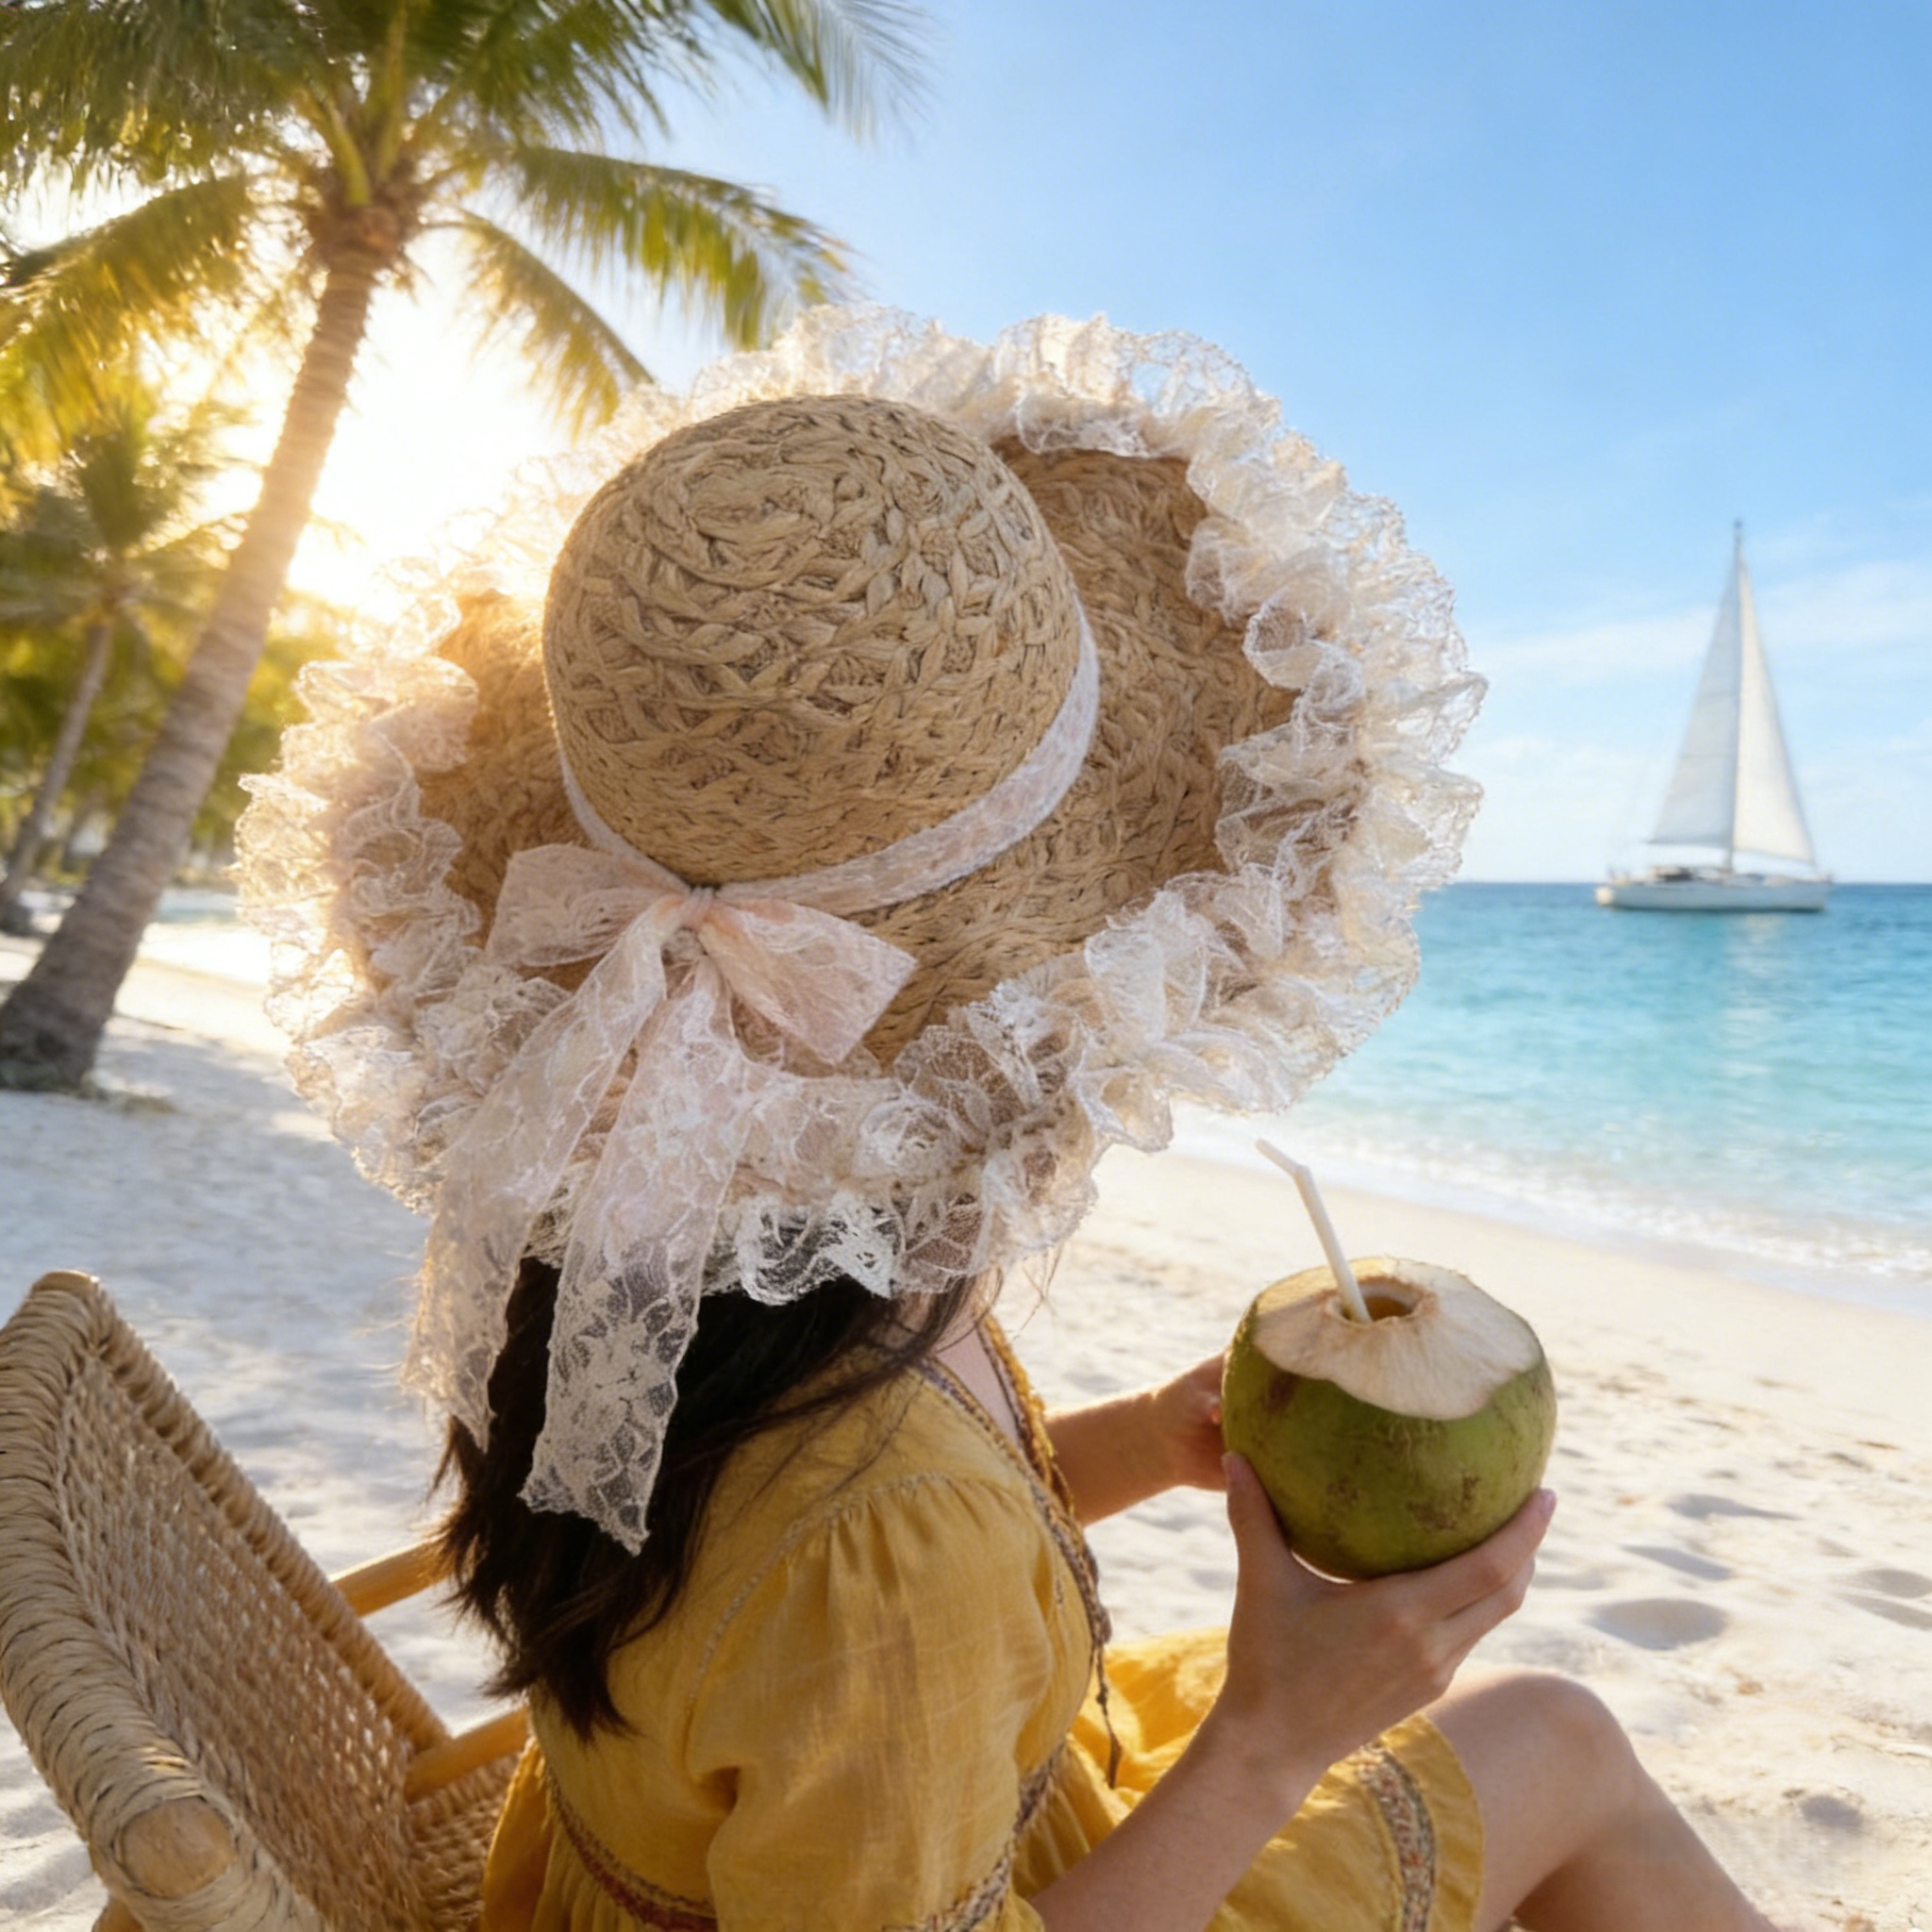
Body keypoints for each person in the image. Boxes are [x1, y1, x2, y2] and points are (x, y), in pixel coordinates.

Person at [242, 310, 1778, 1930]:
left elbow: (773, 1596)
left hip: (731, 1832)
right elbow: (867, 1581)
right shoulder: (886, 1531)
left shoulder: (637, 1236)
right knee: (1563, 1734)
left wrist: (1139, 1444)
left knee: (1527, 1727)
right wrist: (1271, 1739)